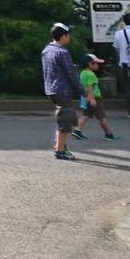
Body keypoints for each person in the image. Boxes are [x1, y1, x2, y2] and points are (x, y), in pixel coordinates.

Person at [42, 23, 84, 160]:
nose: (69, 37)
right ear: (63, 36)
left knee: (63, 116)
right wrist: (82, 91)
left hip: (51, 89)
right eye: (68, 34)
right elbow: (72, 74)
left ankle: (59, 145)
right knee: (65, 120)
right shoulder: (62, 52)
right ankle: (60, 151)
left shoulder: (47, 50)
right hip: (62, 90)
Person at [72, 53, 120, 142]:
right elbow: (90, 86)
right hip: (94, 98)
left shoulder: (83, 73)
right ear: (90, 64)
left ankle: (77, 130)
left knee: (85, 115)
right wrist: (92, 98)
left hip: (85, 97)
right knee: (102, 117)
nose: (98, 65)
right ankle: (109, 134)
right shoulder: (91, 74)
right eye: (96, 63)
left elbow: (83, 86)